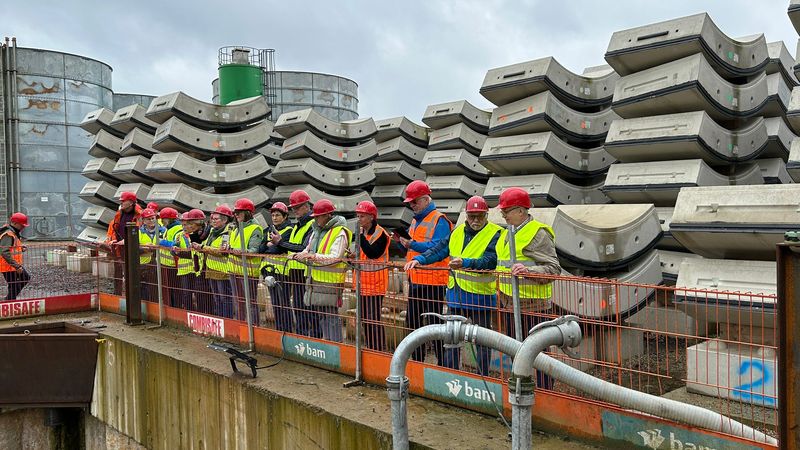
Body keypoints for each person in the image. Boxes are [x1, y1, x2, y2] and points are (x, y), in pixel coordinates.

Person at [405, 196, 501, 375]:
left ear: (486, 215)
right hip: (456, 297)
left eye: (480, 216)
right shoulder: (456, 232)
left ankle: (483, 376)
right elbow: (439, 250)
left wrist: (465, 262)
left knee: (482, 341)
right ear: (466, 215)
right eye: (472, 216)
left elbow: (491, 260)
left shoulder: (496, 233)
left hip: (480, 298)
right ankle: (450, 375)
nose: (475, 220)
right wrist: (420, 259)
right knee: (451, 340)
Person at [496, 187, 561, 389]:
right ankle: (522, 389)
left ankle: (546, 392)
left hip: (534, 307)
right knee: (516, 352)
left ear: (520, 211)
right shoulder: (508, 232)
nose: (503, 215)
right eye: (502, 211)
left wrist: (528, 271)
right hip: (510, 304)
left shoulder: (538, 233)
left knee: (539, 355)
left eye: (506, 211)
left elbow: (553, 269)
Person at [399, 180, 453, 365]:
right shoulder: (416, 220)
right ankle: (417, 362)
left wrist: (412, 244)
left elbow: (438, 247)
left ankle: (442, 364)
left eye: (414, 202)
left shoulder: (440, 220)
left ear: (425, 199)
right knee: (413, 323)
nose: (412, 206)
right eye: (410, 203)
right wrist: (403, 242)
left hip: (433, 282)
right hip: (416, 280)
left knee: (434, 326)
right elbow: (414, 244)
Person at [292, 199, 351, 342]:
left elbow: (336, 257)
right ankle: (328, 344)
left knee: (331, 315)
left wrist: (313, 256)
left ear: (328, 215)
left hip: (331, 281)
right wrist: (299, 255)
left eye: (318, 216)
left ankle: (336, 345)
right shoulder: (316, 231)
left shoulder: (340, 232)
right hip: (316, 279)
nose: (316, 219)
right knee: (322, 315)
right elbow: (308, 249)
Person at [269, 190, 314, 336]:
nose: (295, 210)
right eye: (293, 208)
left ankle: (305, 337)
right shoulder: (298, 225)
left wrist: (280, 243)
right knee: (298, 306)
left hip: (304, 271)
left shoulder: (311, 225)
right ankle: (300, 336)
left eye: (297, 207)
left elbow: (302, 248)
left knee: (304, 307)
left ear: (306, 206)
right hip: (294, 271)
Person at [352, 201, 389, 351]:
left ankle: (379, 349)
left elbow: (373, 253)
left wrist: (360, 237)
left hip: (375, 284)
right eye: (358, 216)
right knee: (365, 320)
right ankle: (371, 347)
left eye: (362, 216)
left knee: (373, 320)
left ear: (371, 217)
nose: (359, 219)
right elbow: (362, 254)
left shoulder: (381, 234)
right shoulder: (363, 233)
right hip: (362, 283)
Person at [259, 202, 294, 332]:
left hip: (281, 272)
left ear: (285, 216)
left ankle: (287, 330)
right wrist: (268, 245)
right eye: (273, 215)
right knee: (275, 303)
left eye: (278, 215)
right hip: (268, 270)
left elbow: (276, 249)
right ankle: (280, 329)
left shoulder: (289, 230)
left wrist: (269, 245)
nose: (274, 218)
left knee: (283, 302)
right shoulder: (270, 229)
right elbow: (260, 248)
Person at [195, 205, 234, 318]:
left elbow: (221, 251)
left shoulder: (228, 232)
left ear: (225, 220)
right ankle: (220, 319)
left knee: (225, 298)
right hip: (211, 269)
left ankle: (227, 320)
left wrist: (203, 248)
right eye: (212, 218)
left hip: (223, 271)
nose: (213, 221)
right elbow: (207, 244)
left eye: (216, 219)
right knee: (217, 298)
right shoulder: (212, 231)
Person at [228, 198, 263, 324]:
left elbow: (253, 251)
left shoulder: (255, 229)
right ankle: (240, 326)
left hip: (248, 272)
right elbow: (233, 246)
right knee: (238, 301)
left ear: (248, 213)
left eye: (239, 212)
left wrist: (235, 251)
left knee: (250, 302)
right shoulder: (236, 228)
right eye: (235, 212)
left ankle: (254, 328)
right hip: (234, 270)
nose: (236, 215)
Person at [104, 191, 142, 295]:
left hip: (133, 250)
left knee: (132, 275)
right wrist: (114, 240)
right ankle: (120, 294)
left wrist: (128, 240)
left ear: (131, 203)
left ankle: (132, 295)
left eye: (123, 201)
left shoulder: (139, 216)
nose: (121, 202)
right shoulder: (119, 214)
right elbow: (115, 229)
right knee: (119, 273)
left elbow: (140, 232)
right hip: (120, 248)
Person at [169, 209, 206, 311]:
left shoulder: (197, 235)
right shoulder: (179, 236)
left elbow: (196, 253)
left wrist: (180, 253)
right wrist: (175, 250)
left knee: (200, 294)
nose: (184, 227)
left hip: (197, 269)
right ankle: (188, 312)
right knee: (186, 294)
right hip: (184, 270)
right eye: (183, 225)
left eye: (186, 224)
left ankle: (200, 312)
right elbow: (173, 251)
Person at [137, 208, 166, 303]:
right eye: (148, 219)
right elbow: (135, 247)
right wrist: (145, 248)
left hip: (159, 263)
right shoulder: (139, 232)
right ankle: (145, 304)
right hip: (143, 264)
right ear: (143, 220)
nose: (151, 220)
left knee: (156, 288)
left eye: (153, 218)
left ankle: (155, 305)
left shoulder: (163, 231)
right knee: (143, 287)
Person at [0, 213, 30, 301]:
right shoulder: (8, 234)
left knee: (16, 283)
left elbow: (11, 247)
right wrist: (17, 266)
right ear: (15, 223)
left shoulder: (12, 231)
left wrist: (20, 248)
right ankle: (9, 300)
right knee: (19, 281)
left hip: (12, 265)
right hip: (9, 266)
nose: (23, 227)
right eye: (22, 225)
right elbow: (4, 252)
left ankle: (9, 300)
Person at [157, 207, 182, 307]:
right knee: (169, 290)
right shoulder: (169, 228)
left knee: (175, 290)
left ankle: (176, 308)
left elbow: (177, 245)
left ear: (169, 219)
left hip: (173, 265)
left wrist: (162, 242)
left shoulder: (177, 229)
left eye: (163, 219)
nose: (162, 222)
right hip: (167, 264)